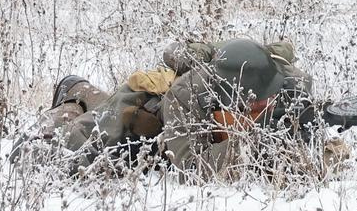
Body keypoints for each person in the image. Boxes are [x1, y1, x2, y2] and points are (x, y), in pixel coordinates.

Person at [28, 37, 320, 176]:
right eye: (251, 104)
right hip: (146, 112)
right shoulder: (187, 93)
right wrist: (253, 141)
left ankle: (80, 89)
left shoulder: (291, 83)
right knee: (63, 153)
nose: (262, 106)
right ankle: (71, 99)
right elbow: (192, 167)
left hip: (181, 127)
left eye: (264, 102)